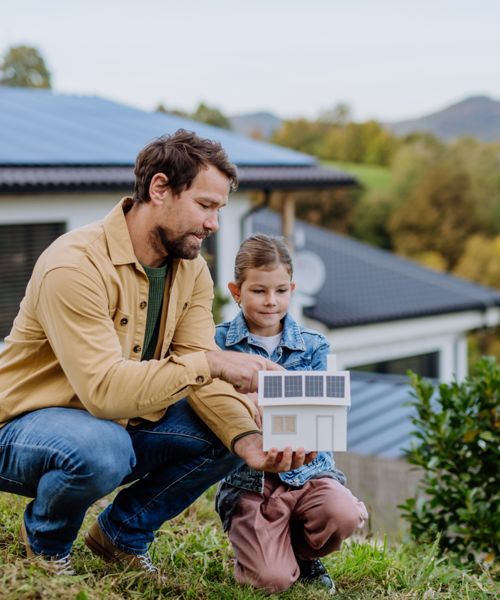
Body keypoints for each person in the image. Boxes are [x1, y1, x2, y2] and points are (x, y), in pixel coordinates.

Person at [0, 130, 312, 578]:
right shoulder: (74, 264)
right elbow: (105, 393)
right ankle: (48, 548)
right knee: (102, 446)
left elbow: (201, 375)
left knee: (229, 423)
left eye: (220, 210)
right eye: (205, 206)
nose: (214, 224)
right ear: (159, 188)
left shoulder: (190, 272)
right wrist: (211, 362)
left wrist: (249, 441)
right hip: (21, 429)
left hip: (114, 425)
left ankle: (121, 536)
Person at [214, 234, 368, 594]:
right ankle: (267, 552)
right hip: (250, 481)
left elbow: (327, 410)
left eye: (281, 291)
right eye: (258, 291)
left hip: (308, 473)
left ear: (292, 289)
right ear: (236, 291)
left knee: (342, 514)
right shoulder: (218, 345)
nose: (271, 301)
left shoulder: (314, 345)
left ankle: (303, 555)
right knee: (271, 581)